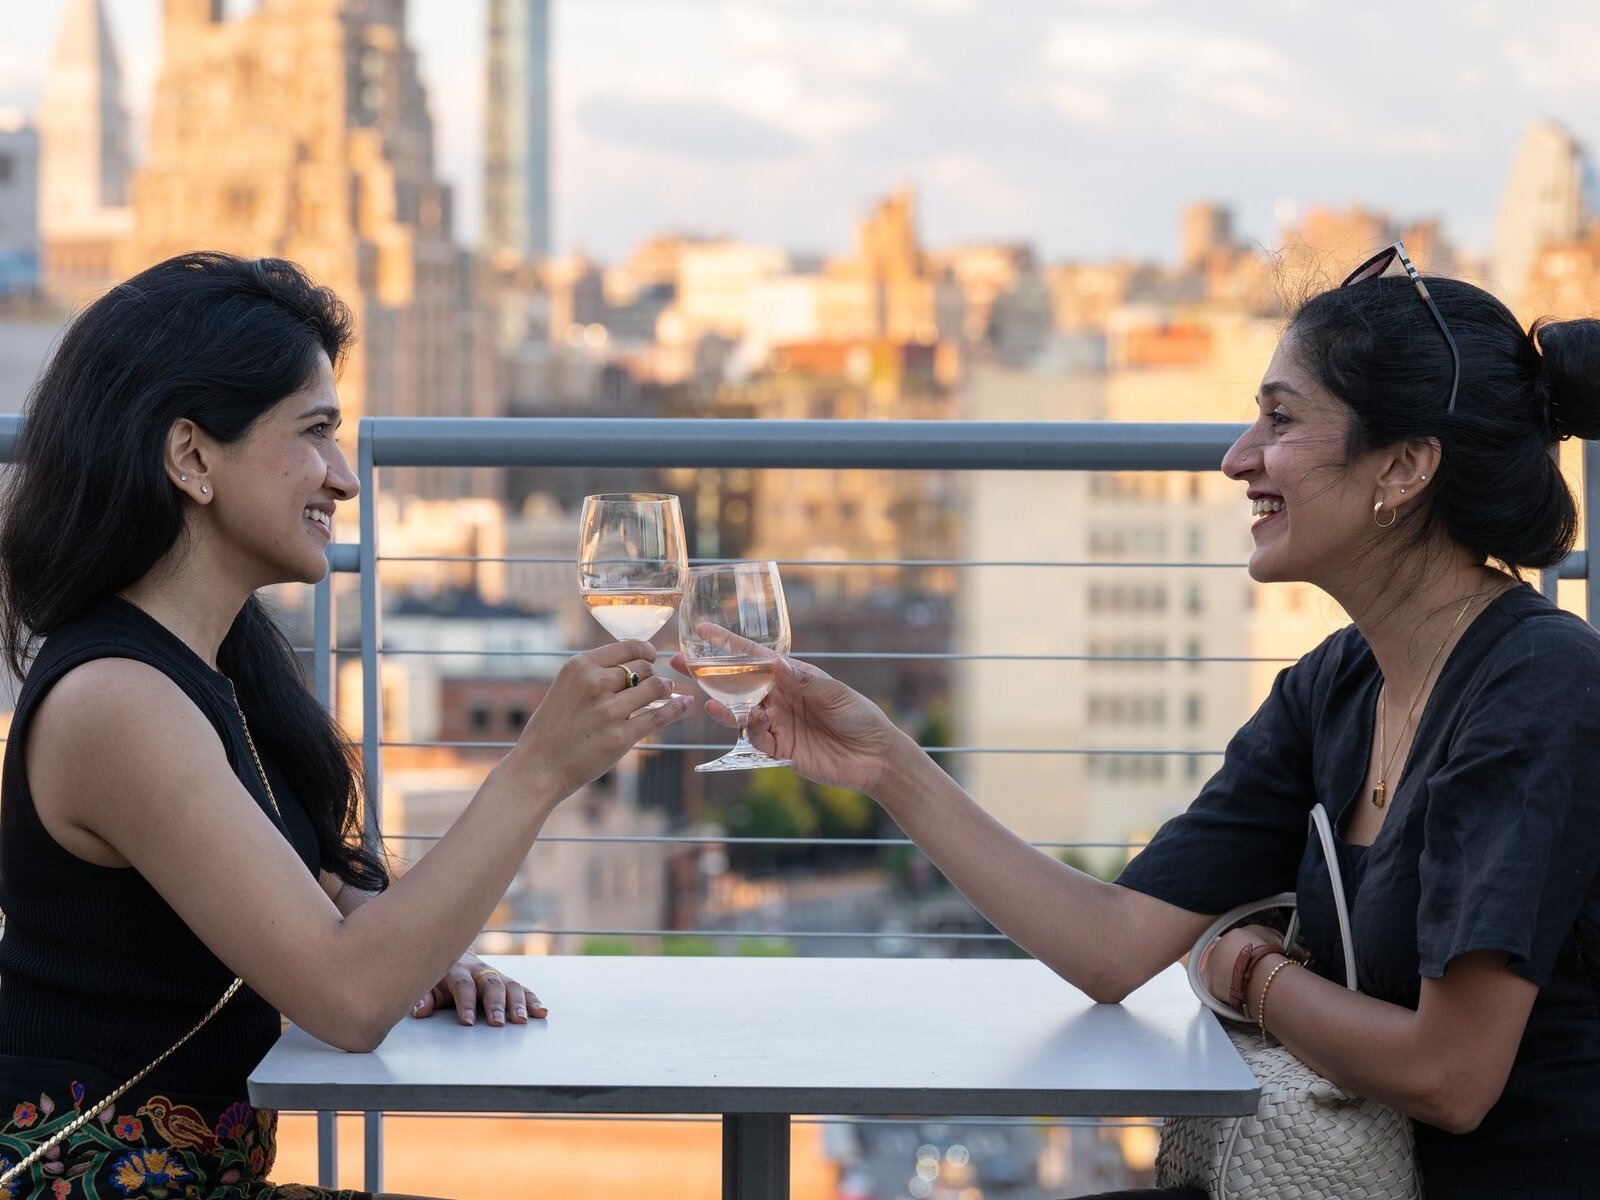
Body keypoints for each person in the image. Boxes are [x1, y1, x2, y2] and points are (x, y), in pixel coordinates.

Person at [685, 248, 1600, 1199]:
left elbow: (1450, 1077)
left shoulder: (1536, 686)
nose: (1237, 457)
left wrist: (1257, 981)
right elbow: (1113, 944)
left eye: (1279, 419)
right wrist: (883, 762)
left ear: (1404, 467)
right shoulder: (1338, 684)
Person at [0, 252, 692, 1199]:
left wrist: (424, 947)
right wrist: (538, 770)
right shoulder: (120, 700)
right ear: (191, 457)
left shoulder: (212, 661)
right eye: (316, 432)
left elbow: (306, 899)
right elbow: (349, 1000)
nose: (343, 478)